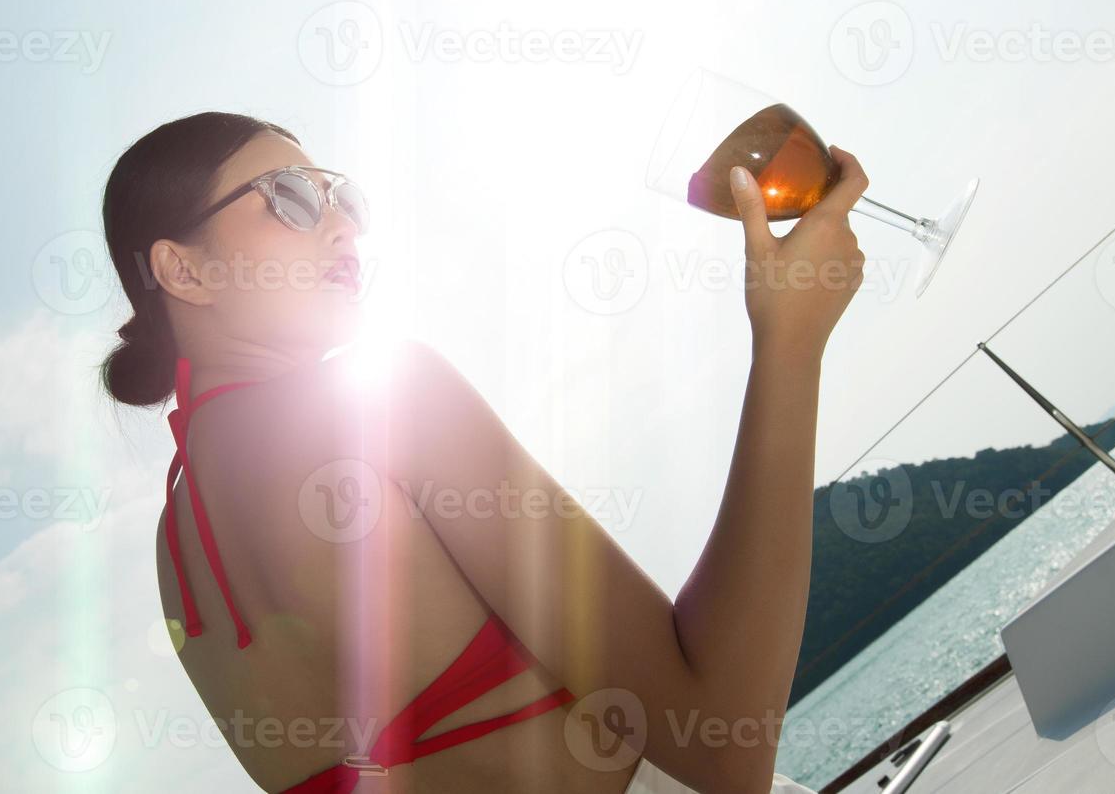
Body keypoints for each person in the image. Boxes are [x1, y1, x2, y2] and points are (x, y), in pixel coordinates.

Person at [100, 111, 859, 792]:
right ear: (184, 270)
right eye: (290, 196)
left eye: (343, 200)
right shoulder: (381, 403)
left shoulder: (177, 560)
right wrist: (790, 343)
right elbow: (722, 747)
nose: (344, 228)